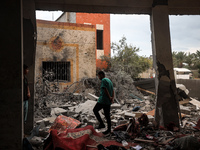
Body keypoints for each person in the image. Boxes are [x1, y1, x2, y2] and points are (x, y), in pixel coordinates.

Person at [93, 71, 114, 135]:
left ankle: (102, 124)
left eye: (98, 75)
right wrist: (112, 98)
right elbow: (113, 90)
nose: (98, 77)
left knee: (95, 110)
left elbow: (105, 89)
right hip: (108, 101)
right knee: (107, 115)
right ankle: (109, 130)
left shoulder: (104, 80)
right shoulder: (109, 81)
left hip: (103, 100)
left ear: (101, 75)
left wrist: (109, 97)